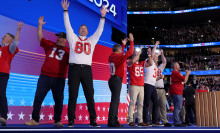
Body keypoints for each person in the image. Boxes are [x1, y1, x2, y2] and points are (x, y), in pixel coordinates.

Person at [61, 0, 107, 127]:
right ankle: (71, 120)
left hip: (87, 70)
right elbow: (67, 25)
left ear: (87, 32)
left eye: (85, 28)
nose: (83, 29)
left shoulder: (92, 40)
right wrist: (65, 11)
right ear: (78, 30)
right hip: (74, 69)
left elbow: (99, 31)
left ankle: (93, 120)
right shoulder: (73, 38)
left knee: (89, 95)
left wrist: (102, 17)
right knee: (73, 95)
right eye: (81, 28)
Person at [24, 16, 69, 127]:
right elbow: (40, 37)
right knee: (38, 98)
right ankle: (34, 120)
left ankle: (57, 121)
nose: (59, 39)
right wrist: (40, 25)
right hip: (45, 76)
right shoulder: (49, 44)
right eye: (58, 37)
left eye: (61, 37)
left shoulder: (69, 51)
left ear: (65, 40)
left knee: (59, 100)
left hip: (59, 79)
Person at [108, 33, 134, 127]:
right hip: (116, 80)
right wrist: (131, 41)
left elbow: (120, 56)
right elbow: (130, 52)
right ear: (118, 50)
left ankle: (113, 120)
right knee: (115, 101)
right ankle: (112, 121)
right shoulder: (118, 57)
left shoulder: (112, 56)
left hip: (112, 79)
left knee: (115, 101)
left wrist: (123, 45)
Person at [0, 22, 23, 126]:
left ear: (9, 40)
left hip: (2, 74)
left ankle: (4, 117)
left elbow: (15, 42)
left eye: (5, 36)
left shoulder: (10, 48)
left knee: (1, 94)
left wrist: (18, 30)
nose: (3, 36)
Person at [143, 41, 162, 126]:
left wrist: (160, 78)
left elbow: (154, 78)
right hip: (147, 84)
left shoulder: (155, 65)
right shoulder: (149, 61)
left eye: (157, 57)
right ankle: (145, 121)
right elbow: (153, 53)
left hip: (152, 85)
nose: (157, 58)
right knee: (147, 103)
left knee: (156, 103)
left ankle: (155, 121)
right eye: (156, 56)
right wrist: (156, 45)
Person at [127, 47, 147, 127]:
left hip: (141, 85)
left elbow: (151, 63)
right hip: (133, 85)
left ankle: (140, 120)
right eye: (135, 53)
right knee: (132, 102)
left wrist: (149, 55)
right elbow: (132, 61)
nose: (137, 54)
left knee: (140, 104)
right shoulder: (129, 61)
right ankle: (130, 120)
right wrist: (138, 53)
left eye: (138, 53)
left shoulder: (142, 63)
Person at [169, 62, 191, 127]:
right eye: (178, 65)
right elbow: (185, 79)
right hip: (177, 92)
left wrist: (187, 74)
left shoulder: (175, 73)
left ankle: (177, 121)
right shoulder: (176, 73)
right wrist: (187, 73)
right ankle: (176, 122)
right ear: (175, 66)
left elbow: (185, 81)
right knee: (177, 108)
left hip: (176, 92)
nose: (179, 66)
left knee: (177, 107)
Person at [155, 50, 172, 127]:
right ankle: (154, 120)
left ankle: (164, 121)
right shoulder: (149, 67)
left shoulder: (159, 67)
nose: (157, 60)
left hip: (161, 89)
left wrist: (162, 54)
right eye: (155, 57)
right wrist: (159, 78)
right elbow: (150, 79)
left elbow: (164, 62)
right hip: (154, 88)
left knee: (163, 106)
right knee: (154, 106)